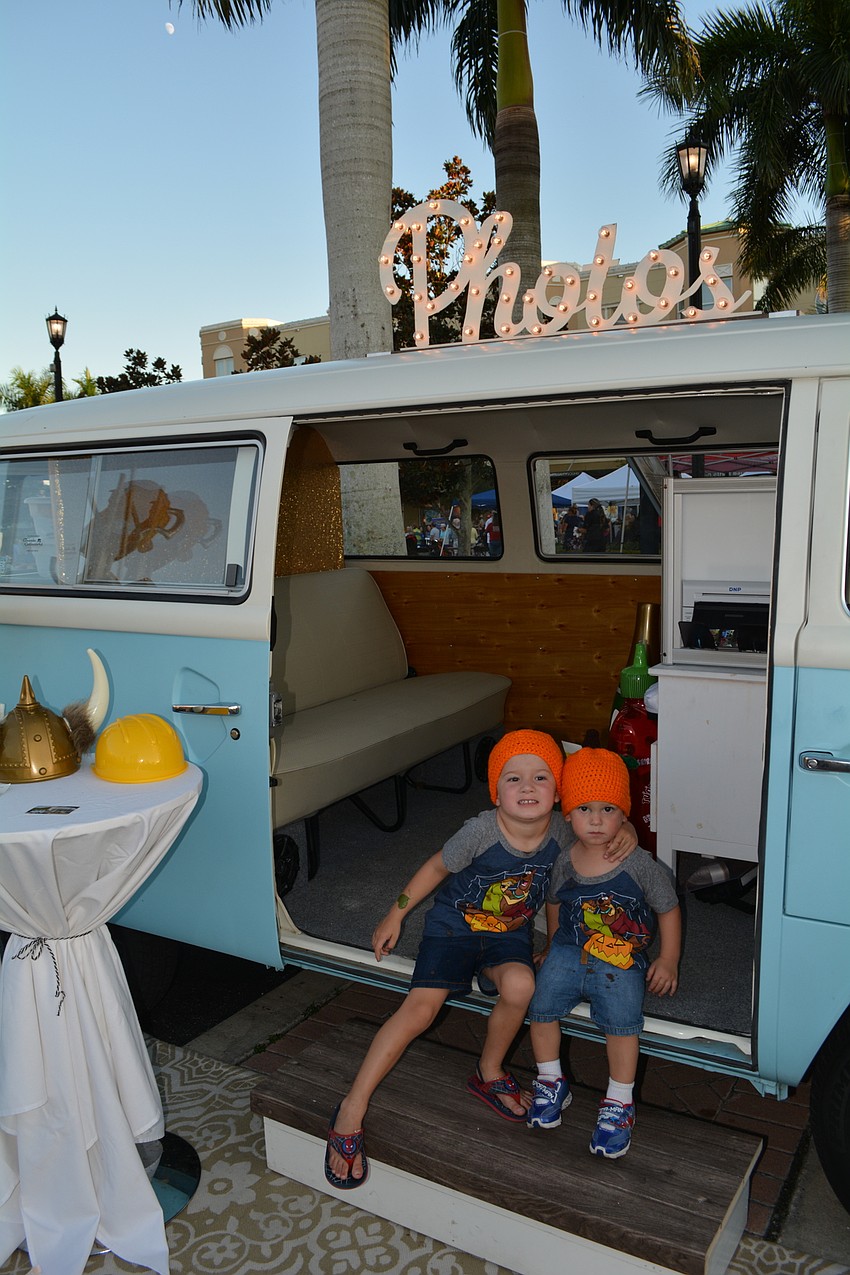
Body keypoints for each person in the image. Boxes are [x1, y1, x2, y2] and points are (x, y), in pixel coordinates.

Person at [323, 730, 639, 1189]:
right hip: (453, 928)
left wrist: (625, 827)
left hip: (507, 936)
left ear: (559, 793)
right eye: (513, 778)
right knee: (420, 1010)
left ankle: (489, 1072)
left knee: (521, 986)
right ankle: (351, 1107)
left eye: (540, 777)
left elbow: (601, 816)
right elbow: (435, 867)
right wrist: (395, 913)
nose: (527, 788)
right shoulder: (480, 831)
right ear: (496, 790)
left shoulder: (560, 831)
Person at [526, 747, 681, 1159]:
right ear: (568, 815)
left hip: (621, 957)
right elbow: (555, 902)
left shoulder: (638, 862)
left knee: (622, 1023)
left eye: (608, 808)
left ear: (624, 814)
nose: (595, 820)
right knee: (539, 1008)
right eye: (584, 809)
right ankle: (550, 1079)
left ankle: (619, 1101)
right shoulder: (565, 858)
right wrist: (551, 942)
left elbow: (667, 906)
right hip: (569, 949)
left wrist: (668, 959)